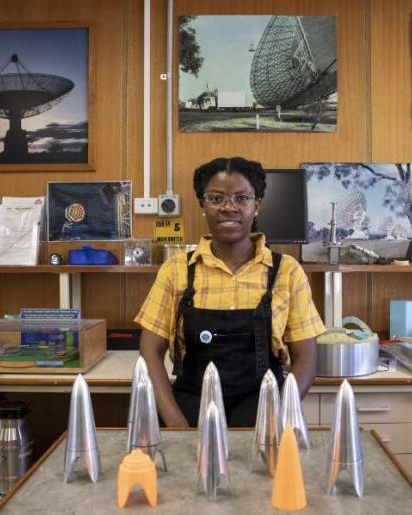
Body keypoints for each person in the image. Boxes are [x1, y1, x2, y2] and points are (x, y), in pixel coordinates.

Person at [135, 157, 325, 428]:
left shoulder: (287, 272)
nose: (228, 207)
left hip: (265, 407)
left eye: (242, 198)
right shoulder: (176, 270)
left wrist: (279, 414)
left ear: (256, 205)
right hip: (190, 406)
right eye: (216, 198)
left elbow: (306, 358)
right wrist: (177, 425)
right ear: (202, 204)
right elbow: (150, 350)